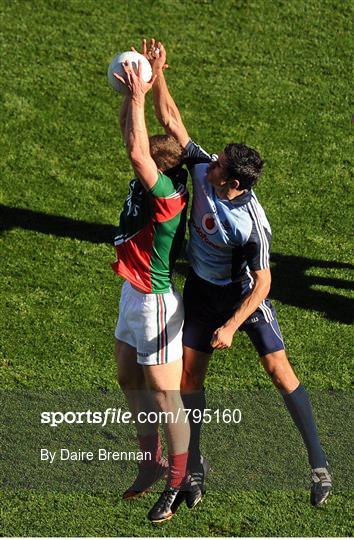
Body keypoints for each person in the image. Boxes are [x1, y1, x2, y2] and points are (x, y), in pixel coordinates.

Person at [144, 39, 332, 508]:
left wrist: (232, 324)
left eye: (220, 167)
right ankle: (197, 469)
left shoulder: (253, 224)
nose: (209, 166)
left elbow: (264, 283)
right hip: (203, 294)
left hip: (242, 300)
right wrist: (158, 72)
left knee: (278, 369)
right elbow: (172, 121)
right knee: (191, 379)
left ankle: (318, 464)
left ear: (234, 183)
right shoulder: (208, 169)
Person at [111, 59, 190, 523]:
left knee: (166, 396)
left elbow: (139, 153)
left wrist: (140, 95)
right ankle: (151, 462)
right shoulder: (159, 176)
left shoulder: (167, 197)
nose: (133, 154)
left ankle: (178, 481)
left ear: (157, 172)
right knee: (127, 377)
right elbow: (134, 141)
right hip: (131, 293)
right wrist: (135, 89)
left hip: (156, 303)